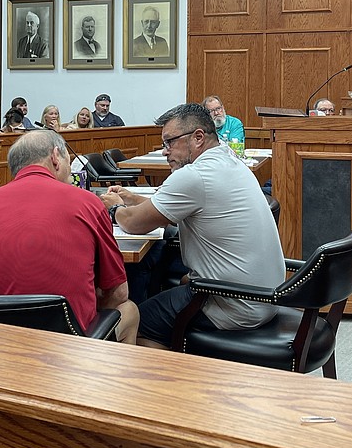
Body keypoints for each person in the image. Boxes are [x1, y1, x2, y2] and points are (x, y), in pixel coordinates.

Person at [100, 103, 285, 348]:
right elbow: (169, 208)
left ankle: (172, 371)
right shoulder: (229, 160)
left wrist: (114, 208)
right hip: (265, 296)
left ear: (198, 137)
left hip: (232, 303)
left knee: (135, 322)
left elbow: (134, 223)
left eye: (169, 142)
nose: (165, 151)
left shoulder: (195, 175)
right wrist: (132, 199)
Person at [0, 129, 138, 342]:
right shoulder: (88, 202)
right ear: (55, 157)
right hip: (63, 347)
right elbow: (118, 294)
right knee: (129, 310)